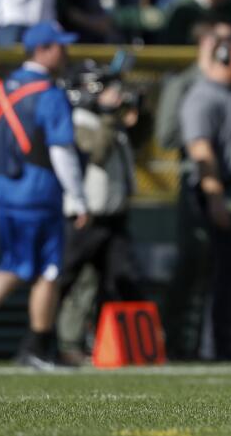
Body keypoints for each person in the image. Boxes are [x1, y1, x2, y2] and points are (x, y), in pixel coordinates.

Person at [0, 22, 87, 369]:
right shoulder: (49, 93)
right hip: (39, 188)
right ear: (43, 49)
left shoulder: (2, 87)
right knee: (48, 269)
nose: (66, 53)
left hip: (2, 187)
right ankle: (36, 347)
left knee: (14, 263)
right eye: (60, 46)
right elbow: (61, 149)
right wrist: (77, 197)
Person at [178, 27, 231, 361]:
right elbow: (202, 149)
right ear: (223, 55)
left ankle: (220, 345)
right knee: (217, 271)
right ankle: (209, 348)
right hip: (218, 188)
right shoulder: (204, 96)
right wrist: (215, 198)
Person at [56, 63, 143, 364]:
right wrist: (108, 115)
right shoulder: (79, 120)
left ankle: (115, 343)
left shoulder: (109, 122)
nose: (116, 95)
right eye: (108, 89)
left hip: (113, 214)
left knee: (117, 279)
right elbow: (97, 152)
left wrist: (136, 116)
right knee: (76, 283)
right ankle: (65, 342)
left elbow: (138, 142)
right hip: (87, 215)